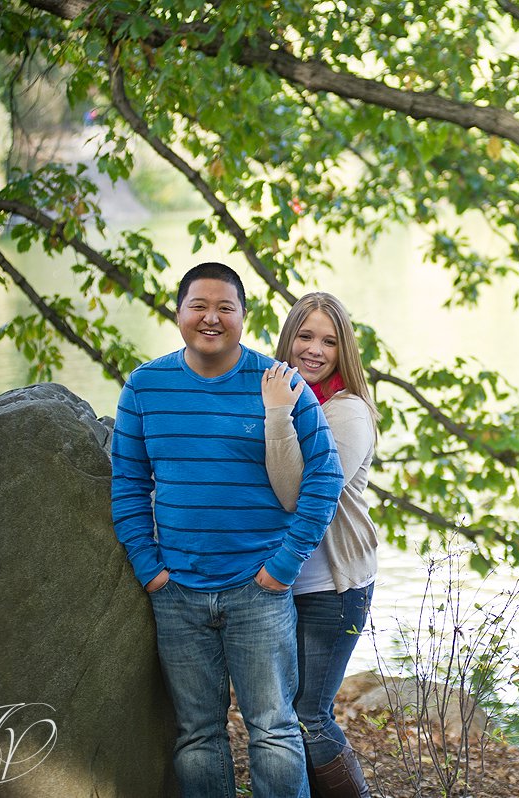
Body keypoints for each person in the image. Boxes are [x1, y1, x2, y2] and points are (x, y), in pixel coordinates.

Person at [111, 262, 344, 798]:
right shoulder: (145, 387)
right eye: (199, 306)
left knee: (275, 732)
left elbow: (325, 479)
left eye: (225, 308)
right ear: (178, 313)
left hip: (257, 590)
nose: (211, 318)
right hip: (178, 594)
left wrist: (281, 568)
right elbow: (127, 486)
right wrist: (151, 572)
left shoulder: (279, 383)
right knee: (197, 736)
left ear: (244, 316)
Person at [261, 292, 380, 798]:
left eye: (328, 341)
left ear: (342, 350)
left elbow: (295, 495)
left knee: (309, 716)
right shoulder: (274, 394)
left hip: (333, 587)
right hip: (279, 583)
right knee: (283, 717)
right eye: (305, 336)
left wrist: (276, 416)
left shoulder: (347, 413)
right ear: (288, 339)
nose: (314, 349)